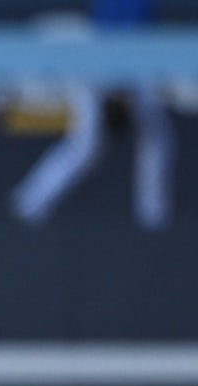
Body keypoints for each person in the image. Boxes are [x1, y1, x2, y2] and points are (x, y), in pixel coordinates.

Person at [10, 0, 175, 230]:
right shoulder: (99, 82)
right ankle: (30, 201)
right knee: (87, 145)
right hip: (100, 59)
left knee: (156, 134)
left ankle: (152, 210)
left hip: (126, 55)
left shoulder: (137, 88)